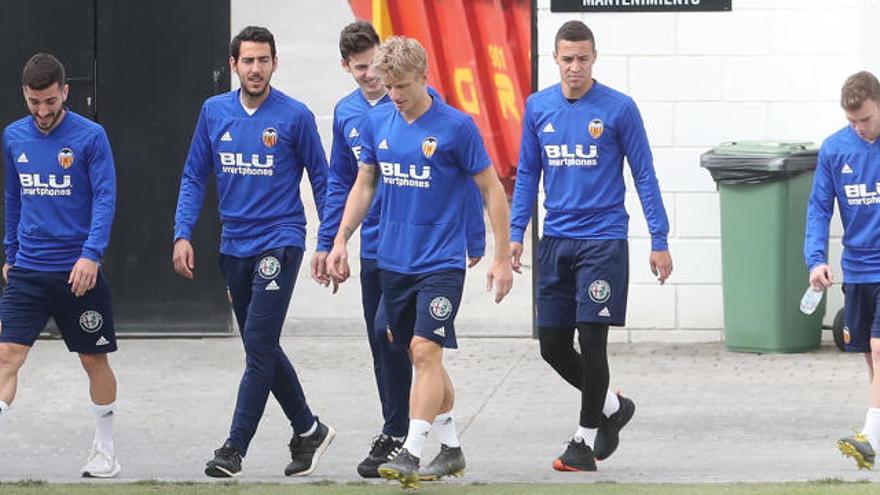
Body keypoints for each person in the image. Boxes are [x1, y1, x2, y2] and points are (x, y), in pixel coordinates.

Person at [326, 36, 513, 489]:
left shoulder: (456, 127)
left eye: (403, 86)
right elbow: (365, 184)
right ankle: (449, 449)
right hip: (393, 261)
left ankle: (411, 451)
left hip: (441, 262)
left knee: (427, 351)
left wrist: (501, 255)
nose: (395, 95)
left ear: (424, 78)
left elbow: (491, 189)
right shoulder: (378, 123)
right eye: (389, 86)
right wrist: (339, 240)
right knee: (414, 353)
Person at [509, 20, 673, 472]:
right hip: (555, 241)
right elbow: (527, 174)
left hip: (602, 242)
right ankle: (613, 410)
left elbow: (644, 175)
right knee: (553, 346)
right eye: (567, 59)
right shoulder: (538, 106)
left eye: (582, 58)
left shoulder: (619, 109)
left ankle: (582, 443)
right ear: (555, 59)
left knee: (592, 339)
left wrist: (659, 239)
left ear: (594, 57)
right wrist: (516, 232)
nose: (575, 67)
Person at [172, 26, 333, 478]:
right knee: (261, 346)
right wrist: (182, 233)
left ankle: (233, 449)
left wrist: (329, 243)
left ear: (275, 64)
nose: (256, 69)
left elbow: (322, 182)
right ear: (233, 66)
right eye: (248, 61)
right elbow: (192, 176)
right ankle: (309, 429)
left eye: (264, 60)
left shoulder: (294, 116)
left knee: (258, 345)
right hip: (233, 244)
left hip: (280, 239)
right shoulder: (213, 112)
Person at [0, 53, 120, 478]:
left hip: (78, 273)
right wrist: (10, 255)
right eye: (35, 102)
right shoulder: (13, 137)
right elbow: (13, 198)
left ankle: (105, 453)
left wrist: (91, 254)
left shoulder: (91, 137)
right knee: (7, 356)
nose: (43, 111)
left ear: (65, 92)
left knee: (93, 361)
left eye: (50, 101)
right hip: (28, 270)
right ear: (25, 95)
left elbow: (106, 198)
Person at [805, 70, 880, 471]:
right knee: (872, 357)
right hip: (859, 270)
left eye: (866, 119)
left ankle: (870, 440)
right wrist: (816, 259)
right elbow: (819, 208)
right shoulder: (835, 150)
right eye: (852, 121)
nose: (859, 127)